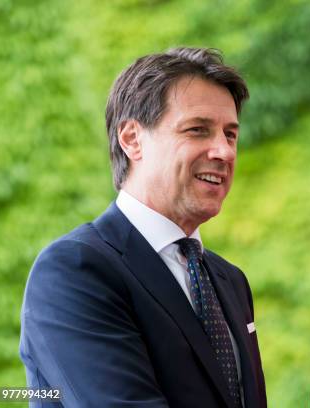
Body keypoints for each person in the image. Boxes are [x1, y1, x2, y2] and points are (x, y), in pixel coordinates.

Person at [20, 47, 267, 408]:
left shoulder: (230, 281)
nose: (225, 152)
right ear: (132, 139)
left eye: (230, 135)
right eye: (198, 130)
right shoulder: (74, 271)